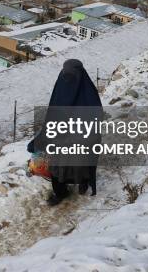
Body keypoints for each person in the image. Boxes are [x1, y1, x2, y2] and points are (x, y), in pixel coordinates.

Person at [28, 59, 103, 206]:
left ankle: (83, 183)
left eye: (72, 74)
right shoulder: (62, 85)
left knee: (80, 164)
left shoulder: (88, 93)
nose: (68, 77)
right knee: (57, 166)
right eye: (66, 73)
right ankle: (61, 192)